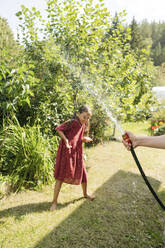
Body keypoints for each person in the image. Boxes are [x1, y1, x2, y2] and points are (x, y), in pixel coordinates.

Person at [50, 105, 95, 211]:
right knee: (61, 176)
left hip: (76, 151)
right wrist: (65, 140)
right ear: (78, 114)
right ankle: (54, 202)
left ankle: (85, 194)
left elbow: (77, 138)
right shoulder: (73, 122)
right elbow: (59, 129)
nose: (86, 120)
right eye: (84, 117)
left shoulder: (82, 124)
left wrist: (84, 139)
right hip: (67, 151)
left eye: (88, 118)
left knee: (83, 173)